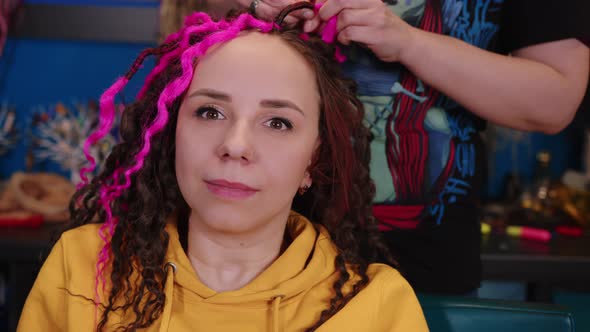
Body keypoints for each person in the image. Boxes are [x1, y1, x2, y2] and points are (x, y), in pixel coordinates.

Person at [17, 9, 429, 332]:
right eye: (210, 112)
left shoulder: (377, 304)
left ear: (314, 160)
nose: (235, 145)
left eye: (278, 122)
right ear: (171, 132)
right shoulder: (84, 265)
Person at [195, 0, 590, 294]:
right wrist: (255, 6)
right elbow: (209, 17)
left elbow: (554, 102)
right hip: (247, 264)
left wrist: (408, 42)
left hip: (421, 270)